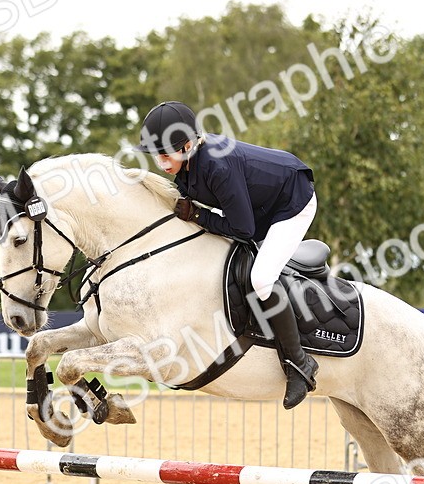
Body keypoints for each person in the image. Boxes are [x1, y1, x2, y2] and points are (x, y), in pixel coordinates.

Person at [136, 101, 319, 409]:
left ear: (189, 144)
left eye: (166, 153)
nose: (161, 161)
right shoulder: (188, 162)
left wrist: (197, 216)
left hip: (291, 203)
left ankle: (300, 364)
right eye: (157, 154)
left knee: (261, 279)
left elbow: (243, 229)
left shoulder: (217, 167)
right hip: (257, 204)